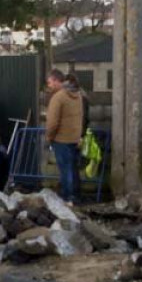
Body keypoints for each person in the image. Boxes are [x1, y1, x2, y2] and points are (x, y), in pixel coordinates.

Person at [45, 69, 83, 202]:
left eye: (49, 82)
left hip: (61, 139)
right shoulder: (78, 95)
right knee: (73, 169)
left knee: (65, 170)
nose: (48, 85)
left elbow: (52, 122)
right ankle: (75, 197)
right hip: (75, 138)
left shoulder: (58, 97)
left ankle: (67, 198)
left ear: (56, 81)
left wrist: (49, 137)